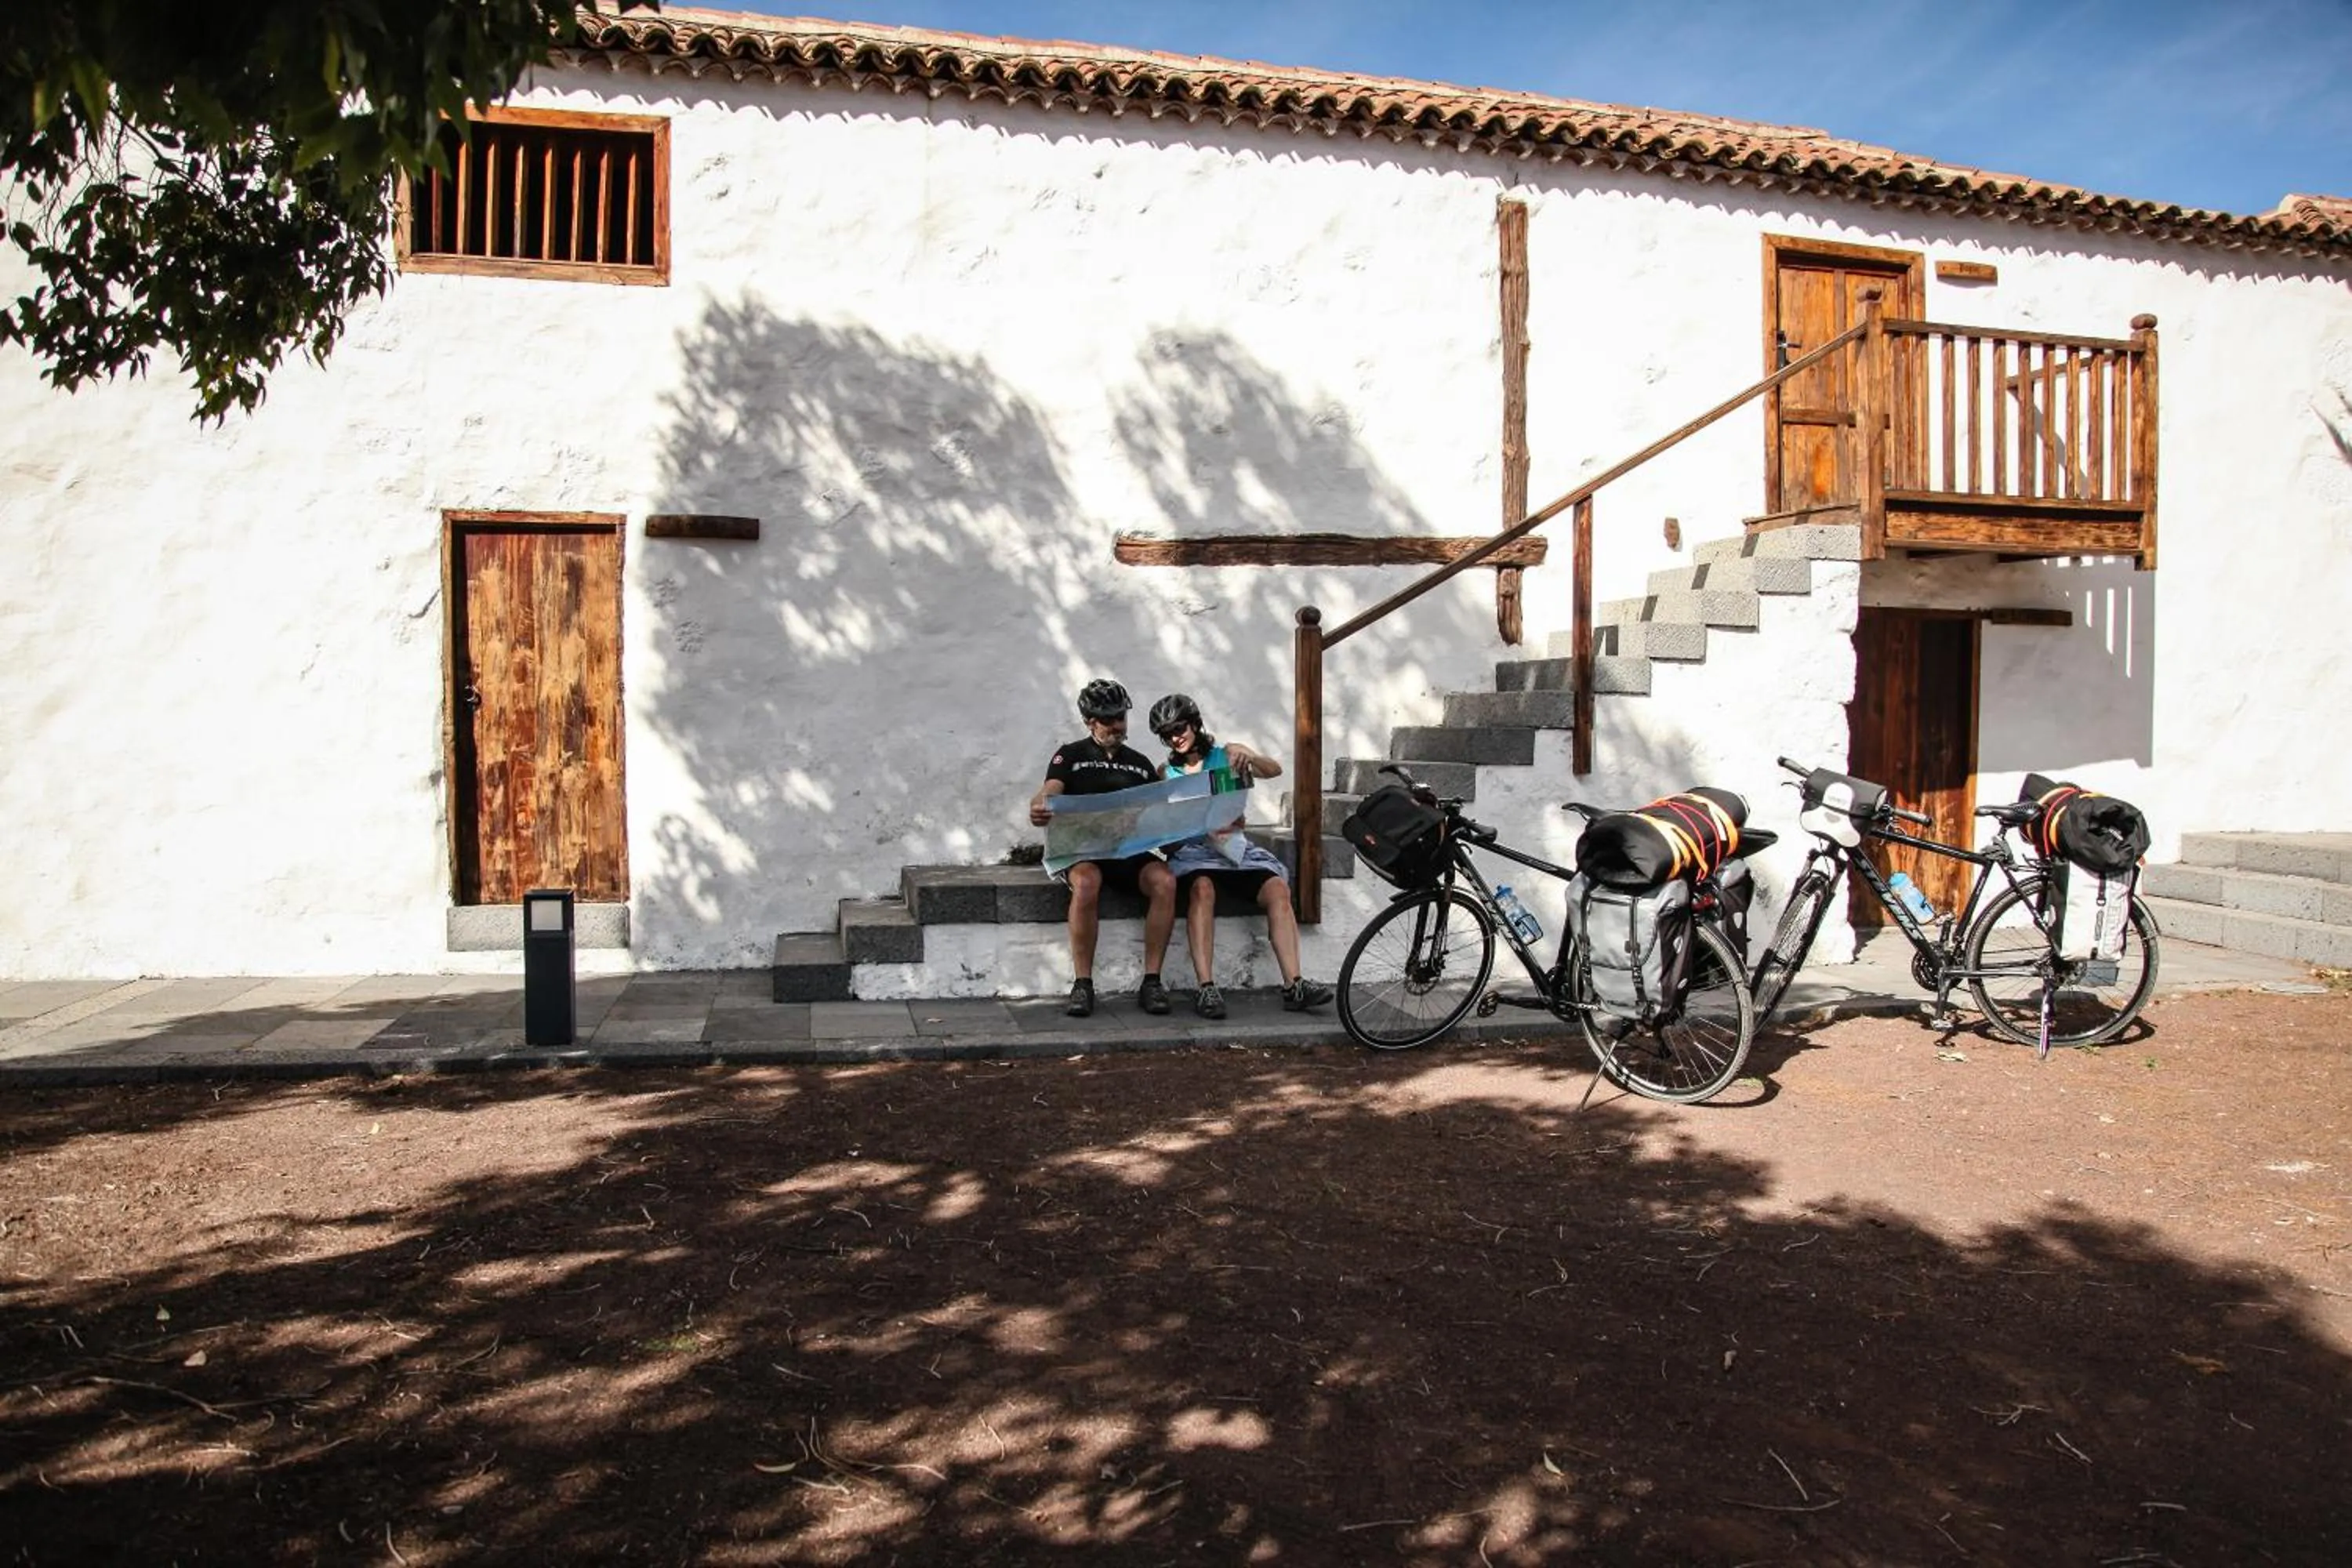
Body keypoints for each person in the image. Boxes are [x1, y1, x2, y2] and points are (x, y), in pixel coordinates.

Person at [1147, 692, 1334, 1019]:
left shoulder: (1226, 754)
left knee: (1277, 888)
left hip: (1234, 848)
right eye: (1167, 734)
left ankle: (1295, 984)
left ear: (1194, 723)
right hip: (1193, 852)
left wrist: (1248, 754)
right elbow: (1158, 824)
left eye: (1179, 727)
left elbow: (1273, 770)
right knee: (1202, 889)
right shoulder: (1167, 772)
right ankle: (1206, 987)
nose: (1176, 737)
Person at [1029, 678, 1178, 1018]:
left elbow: (1161, 807)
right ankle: (1083, 984)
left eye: (1121, 717)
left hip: (1129, 851)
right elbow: (1050, 789)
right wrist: (1040, 805)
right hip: (1085, 850)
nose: (1116, 725)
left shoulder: (1140, 763)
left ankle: (1152, 981)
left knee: (1165, 882)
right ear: (1089, 721)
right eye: (1108, 719)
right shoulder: (1070, 754)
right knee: (1086, 883)